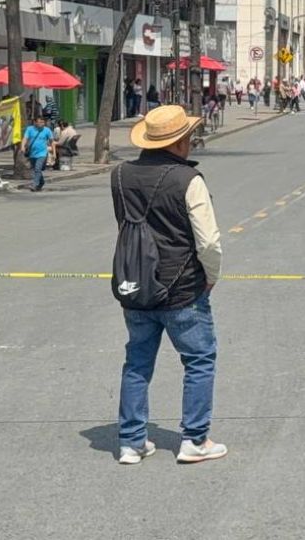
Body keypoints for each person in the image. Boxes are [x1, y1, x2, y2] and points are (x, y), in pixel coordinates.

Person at [113, 105, 226, 465]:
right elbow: (207, 241)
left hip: (136, 281)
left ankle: (131, 441)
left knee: (137, 360)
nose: (192, 143)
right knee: (199, 359)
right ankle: (194, 438)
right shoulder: (188, 180)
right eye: (188, 138)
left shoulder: (120, 175)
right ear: (177, 143)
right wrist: (211, 276)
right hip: (181, 287)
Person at [21, 115, 54, 192]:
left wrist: (54, 153)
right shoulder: (30, 129)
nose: (41, 124)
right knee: (35, 169)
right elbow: (25, 138)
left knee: (37, 168)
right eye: (39, 122)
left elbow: (52, 142)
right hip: (32, 153)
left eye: (43, 122)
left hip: (42, 153)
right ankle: (41, 182)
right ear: (35, 122)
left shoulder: (47, 130)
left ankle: (35, 184)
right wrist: (22, 146)